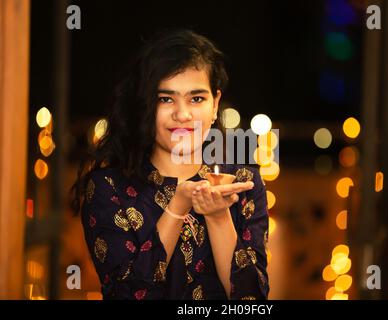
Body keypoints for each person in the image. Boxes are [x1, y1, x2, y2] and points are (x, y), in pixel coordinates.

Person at [71, 29, 269, 300]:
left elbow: (252, 301)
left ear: (215, 105)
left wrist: (217, 216)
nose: (182, 114)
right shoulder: (109, 187)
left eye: (196, 99)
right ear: (146, 106)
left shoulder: (242, 183)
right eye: (166, 99)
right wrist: (177, 206)